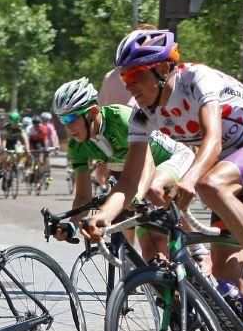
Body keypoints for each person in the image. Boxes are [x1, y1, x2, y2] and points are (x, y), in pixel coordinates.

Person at [81, 29, 243, 331]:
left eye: (136, 75)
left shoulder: (197, 79)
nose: (130, 85)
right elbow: (129, 179)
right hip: (230, 172)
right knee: (227, 271)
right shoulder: (141, 114)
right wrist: (103, 217)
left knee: (210, 183)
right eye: (125, 77)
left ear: (164, 68)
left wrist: (189, 179)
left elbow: (212, 139)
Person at [50, 76, 194, 260]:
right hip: (139, 174)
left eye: (71, 118)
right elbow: (83, 196)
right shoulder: (77, 146)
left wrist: (135, 196)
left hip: (173, 158)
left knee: (152, 189)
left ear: (92, 112)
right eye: (62, 119)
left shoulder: (121, 119)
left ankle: (199, 252)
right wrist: (72, 225)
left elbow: (147, 166)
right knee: (151, 254)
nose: (67, 126)